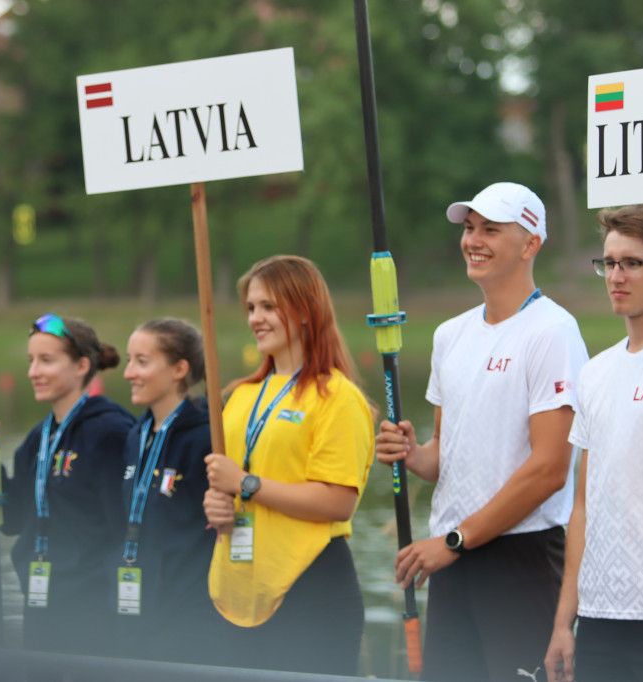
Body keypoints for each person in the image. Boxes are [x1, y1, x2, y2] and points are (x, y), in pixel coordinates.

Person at [376, 182, 589, 681]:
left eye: (491, 229)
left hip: (522, 559)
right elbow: (441, 457)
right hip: (455, 560)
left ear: (531, 244)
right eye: (470, 228)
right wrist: (411, 451)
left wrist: (453, 540)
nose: (474, 240)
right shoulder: (450, 334)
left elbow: (550, 470)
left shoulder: (553, 331)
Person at [542, 203, 643, 682]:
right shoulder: (594, 372)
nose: (616, 275)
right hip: (598, 617)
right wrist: (564, 621)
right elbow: (582, 508)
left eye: (633, 263)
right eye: (609, 262)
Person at [204, 255, 376, 676]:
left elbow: (338, 502)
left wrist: (246, 483)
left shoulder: (337, 396)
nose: (256, 318)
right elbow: (227, 488)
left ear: (304, 311)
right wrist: (216, 505)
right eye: (250, 308)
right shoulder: (240, 396)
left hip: (312, 590)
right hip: (239, 593)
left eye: (268, 306)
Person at [0, 313, 132, 656]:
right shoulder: (38, 439)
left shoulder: (110, 432)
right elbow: (12, 521)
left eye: (46, 360)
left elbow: (123, 529)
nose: (33, 372)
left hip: (93, 611)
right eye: (30, 361)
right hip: (41, 602)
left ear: (82, 365)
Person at [116, 317, 229, 663]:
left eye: (142, 361)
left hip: (193, 613)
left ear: (180, 369)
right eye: (129, 359)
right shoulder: (137, 434)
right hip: (141, 604)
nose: (128, 372)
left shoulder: (209, 437)